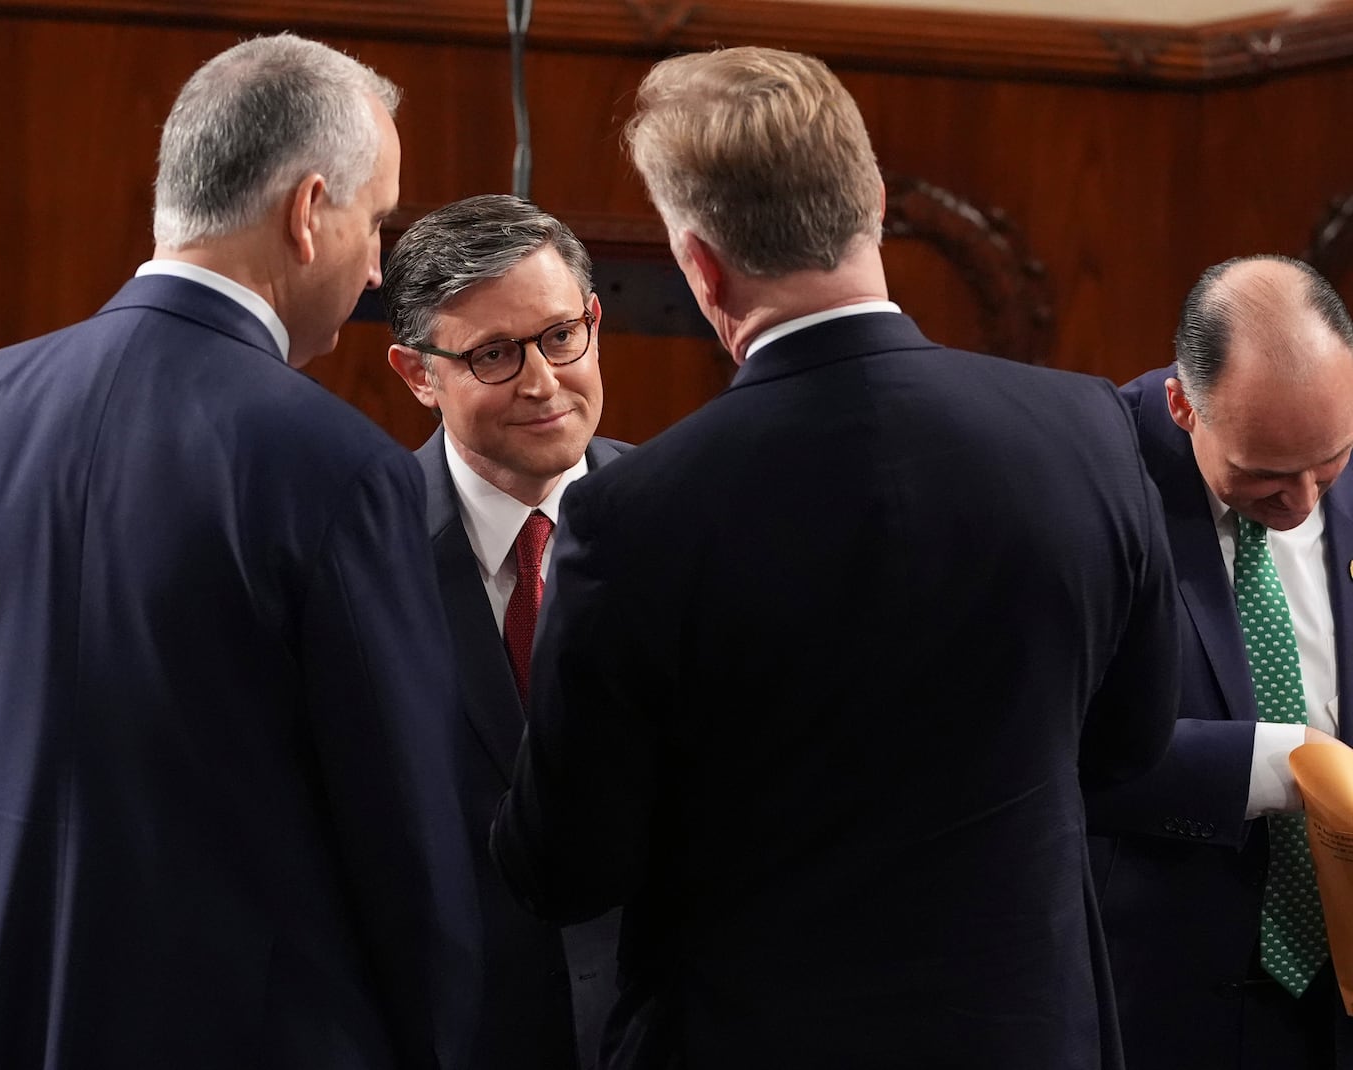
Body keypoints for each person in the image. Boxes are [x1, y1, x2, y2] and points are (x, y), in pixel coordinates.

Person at [490, 45, 1181, 1069]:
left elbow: (566, 864)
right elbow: (1131, 740)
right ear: (873, 204)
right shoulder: (1083, 429)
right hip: (1029, 1031)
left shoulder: (633, 517)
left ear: (700, 263)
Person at [0, 32, 480, 1070]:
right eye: (375, 222)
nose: (378, 264)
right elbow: (406, 845)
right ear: (306, 211)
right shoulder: (341, 467)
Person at [1090, 254, 1353, 1069]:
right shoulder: (1086, 476)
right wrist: (1297, 764)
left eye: (1331, 462)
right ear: (1182, 405)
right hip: (1163, 997)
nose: (1304, 503)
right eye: (1265, 477)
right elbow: (1055, 736)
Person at [384, 194, 624, 1070]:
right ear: (418, 373)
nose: (542, 380)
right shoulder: (361, 551)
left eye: (561, 336)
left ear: (593, 321)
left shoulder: (688, 521)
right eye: (494, 354)